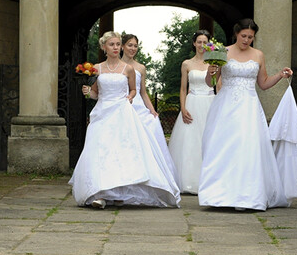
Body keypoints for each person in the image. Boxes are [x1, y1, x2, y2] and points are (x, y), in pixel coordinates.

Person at [69, 31, 180, 209]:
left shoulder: (128, 69)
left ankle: (119, 192)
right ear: (104, 47)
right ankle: (100, 194)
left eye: (117, 44)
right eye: (111, 44)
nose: (115, 48)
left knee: (119, 152)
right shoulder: (97, 68)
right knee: (100, 151)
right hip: (102, 113)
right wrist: (88, 92)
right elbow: (96, 93)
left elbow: (134, 90)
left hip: (121, 112)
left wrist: (130, 96)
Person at [198, 19, 293, 211]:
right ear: (236, 34)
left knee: (248, 147)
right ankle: (219, 194)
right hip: (226, 106)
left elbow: (263, 84)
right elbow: (210, 83)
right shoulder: (222, 51)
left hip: (249, 107)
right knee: (224, 146)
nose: (246, 40)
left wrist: (280, 75)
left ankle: (247, 194)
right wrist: (210, 72)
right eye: (244, 36)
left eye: (250, 37)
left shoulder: (258, 55)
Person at [120, 33, 178, 182]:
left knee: (148, 132)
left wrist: (152, 110)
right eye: (130, 45)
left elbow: (143, 92)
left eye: (135, 46)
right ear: (122, 46)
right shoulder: (116, 66)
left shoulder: (141, 68)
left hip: (138, 105)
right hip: (122, 104)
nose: (133, 48)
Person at [168, 30, 215, 194]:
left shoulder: (214, 62)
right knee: (190, 141)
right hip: (192, 103)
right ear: (194, 43)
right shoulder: (186, 64)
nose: (202, 45)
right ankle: (189, 180)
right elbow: (183, 89)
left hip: (210, 102)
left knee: (209, 140)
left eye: (205, 42)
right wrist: (183, 108)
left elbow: (216, 85)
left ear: (209, 45)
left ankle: (210, 180)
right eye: (199, 42)